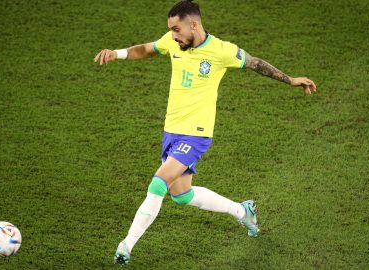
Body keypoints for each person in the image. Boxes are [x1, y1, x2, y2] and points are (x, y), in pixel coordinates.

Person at [94, 0, 317, 265]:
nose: (173, 36)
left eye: (176, 30)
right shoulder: (172, 42)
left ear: (193, 24)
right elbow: (147, 49)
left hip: (196, 135)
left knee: (158, 183)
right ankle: (242, 211)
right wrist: (116, 53)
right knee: (181, 195)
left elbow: (255, 63)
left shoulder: (221, 51)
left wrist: (291, 80)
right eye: (171, 31)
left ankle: (126, 245)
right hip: (171, 131)